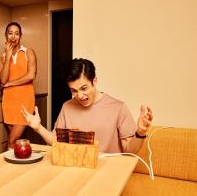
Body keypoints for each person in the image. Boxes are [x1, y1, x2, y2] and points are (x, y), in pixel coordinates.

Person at [21, 58, 153, 153]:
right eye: (74, 90)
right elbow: (58, 142)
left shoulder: (118, 107)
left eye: (84, 88)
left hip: (108, 172)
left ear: (94, 81)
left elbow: (130, 150)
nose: (80, 96)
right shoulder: (67, 107)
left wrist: (140, 132)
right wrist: (38, 128)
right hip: (77, 169)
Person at [0, 22, 37, 148]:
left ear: (21, 36)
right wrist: (8, 56)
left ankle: (8, 166)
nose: (13, 37)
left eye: (17, 33)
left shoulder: (28, 52)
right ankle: (22, 164)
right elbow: (3, 80)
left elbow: (31, 75)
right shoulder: (1, 58)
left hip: (25, 101)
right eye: (10, 33)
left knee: (12, 140)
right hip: (9, 102)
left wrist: (10, 84)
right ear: (5, 35)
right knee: (17, 141)